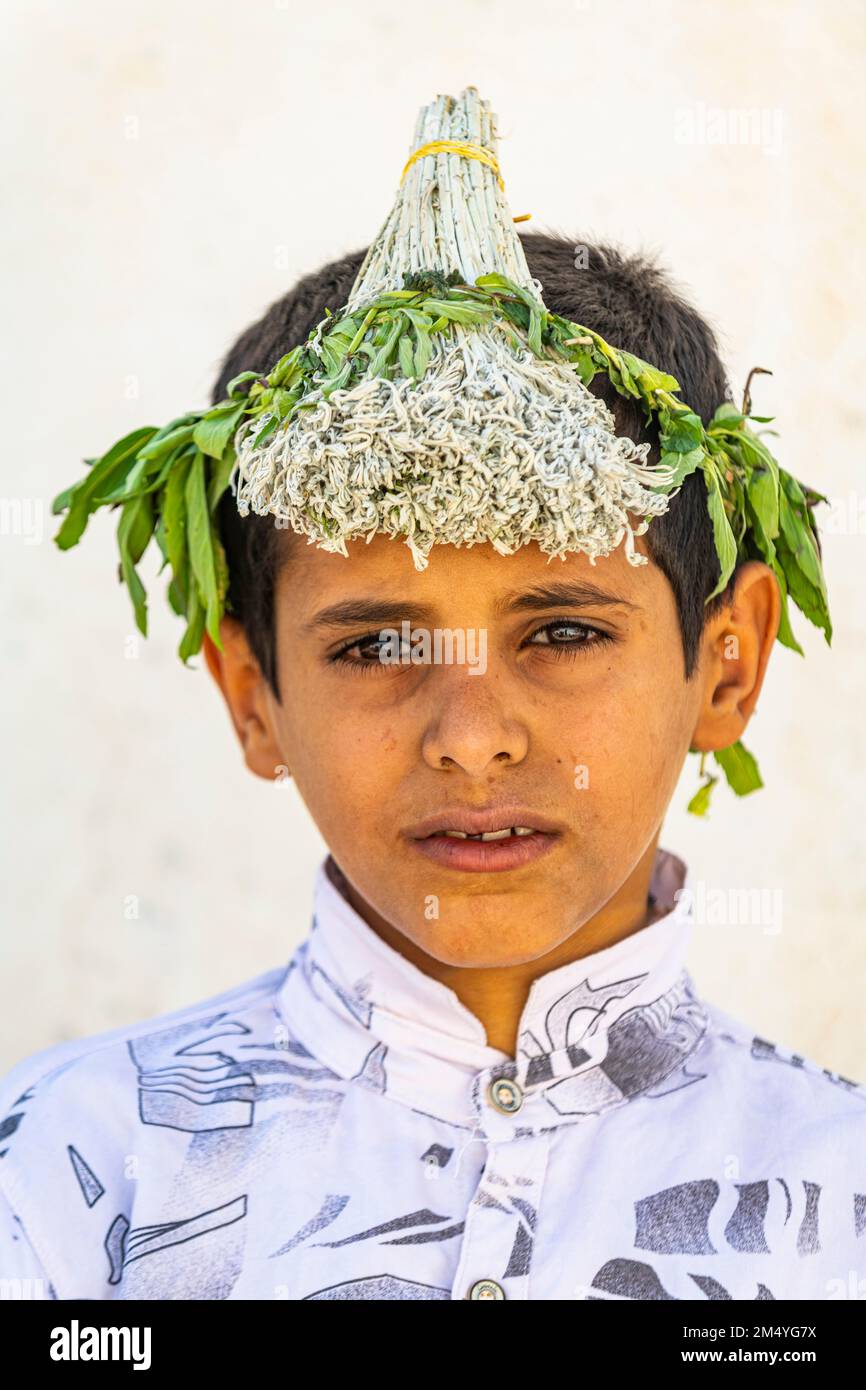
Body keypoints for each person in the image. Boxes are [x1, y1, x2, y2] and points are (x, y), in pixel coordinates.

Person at [1, 90, 861, 1302]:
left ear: (726, 664)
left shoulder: (839, 1211)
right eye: (373, 647)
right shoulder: (62, 1176)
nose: (470, 738)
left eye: (561, 630)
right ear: (253, 695)